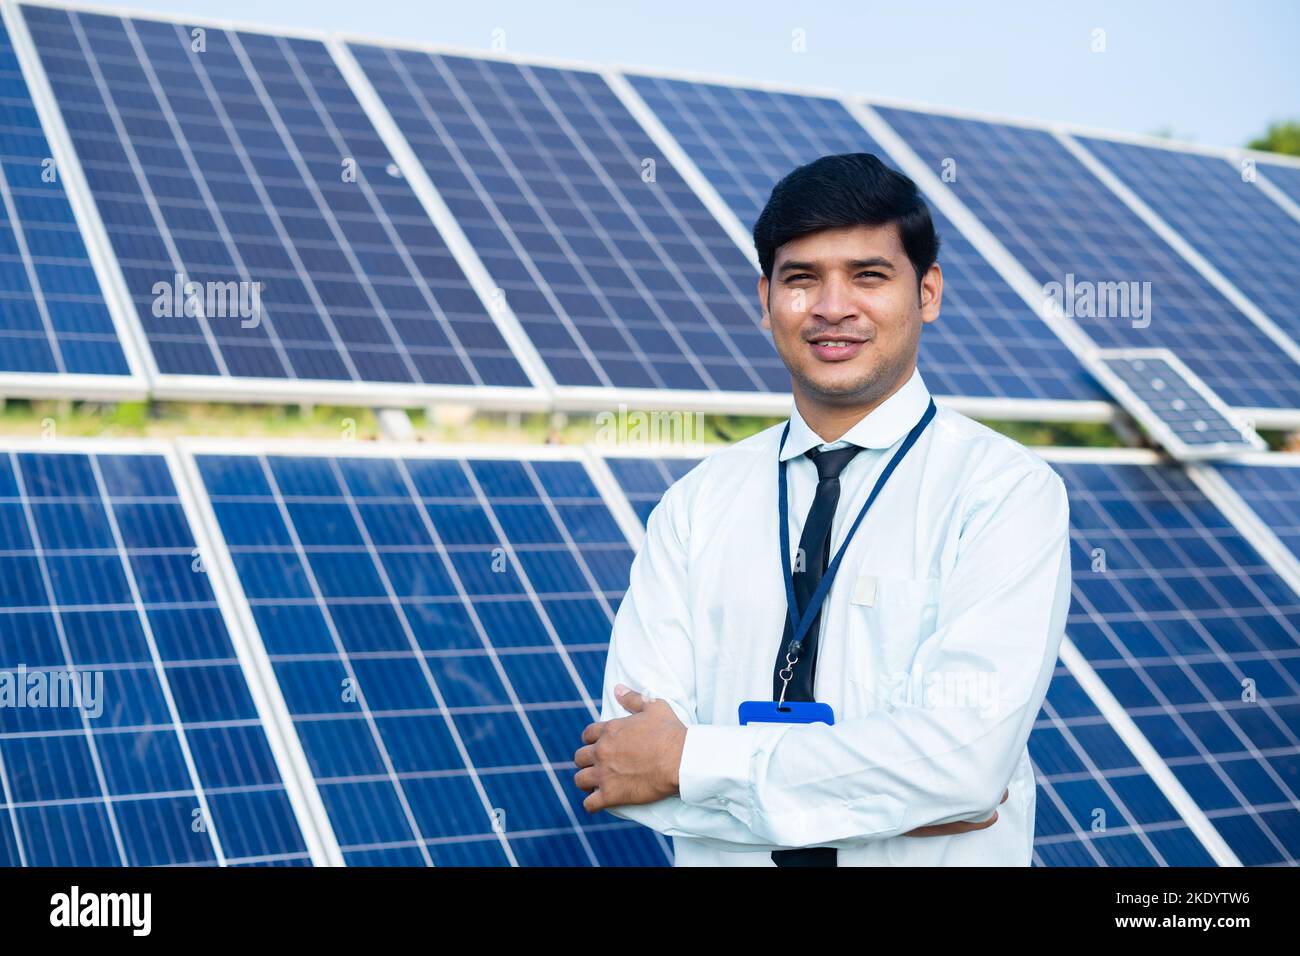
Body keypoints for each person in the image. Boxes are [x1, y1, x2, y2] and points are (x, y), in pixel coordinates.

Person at [573, 153, 1071, 866]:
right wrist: (891, 808)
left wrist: (695, 762)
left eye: (869, 276)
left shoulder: (1003, 492)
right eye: (801, 279)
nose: (833, 307)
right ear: (765, 298)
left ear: (927, 292)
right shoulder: (695, 506)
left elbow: (965, 768)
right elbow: (630, 769)